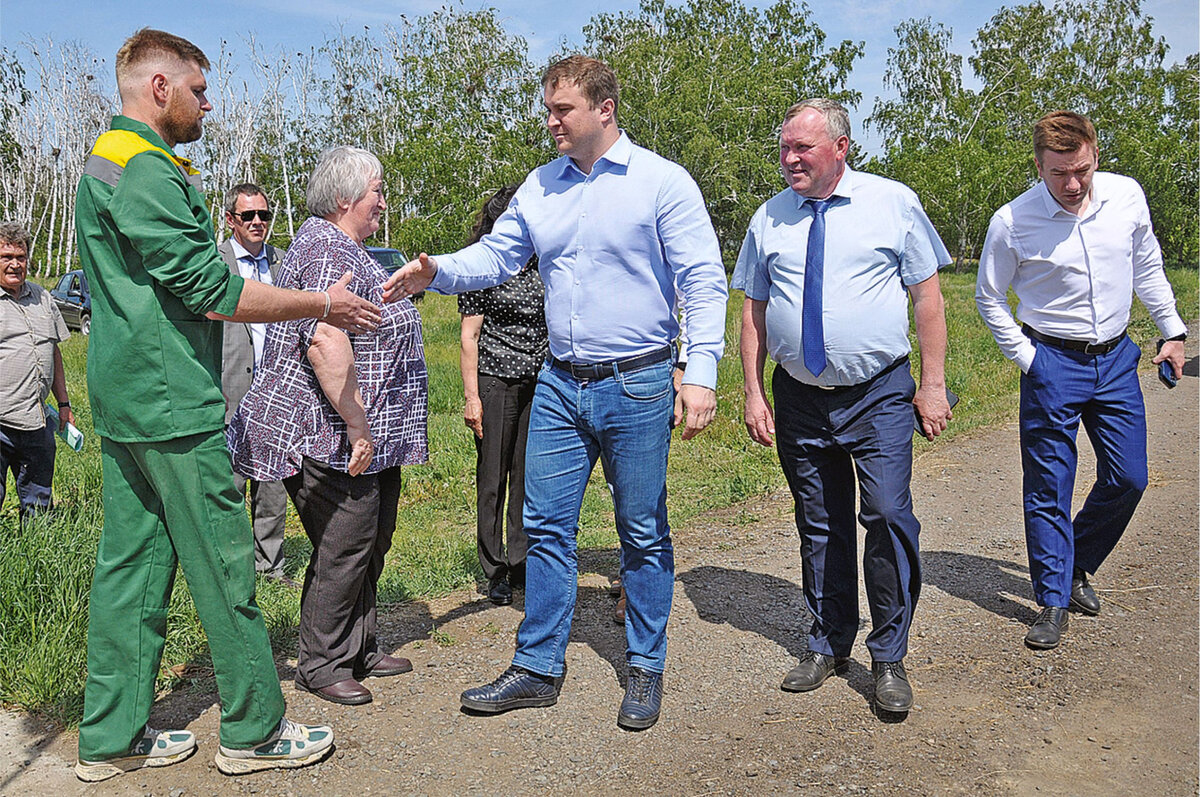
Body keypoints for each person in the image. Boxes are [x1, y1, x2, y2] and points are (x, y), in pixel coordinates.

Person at [385, 55, 728, 731]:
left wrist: (703, 371)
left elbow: (703, 281)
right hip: (559, 383)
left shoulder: (662, 183)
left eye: (561, 109)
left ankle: (645, 664)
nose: (550, 122)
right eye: (547, 109)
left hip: (639, 382)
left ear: (604, 108)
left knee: (641, 530)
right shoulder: (541, 187)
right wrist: (439, 270)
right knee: (542, 525)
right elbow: (499, 255)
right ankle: (538, 665)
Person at [72, 29, 380, 781]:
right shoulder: (144, 168)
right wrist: (322, 302)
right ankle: (254, 730)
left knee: (132, 567)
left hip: (124, 396)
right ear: (158, 89)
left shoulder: (102, 161)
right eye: (199, 90)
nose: (207, 103)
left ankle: (110, 737)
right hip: (172, 397)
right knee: (222, 559)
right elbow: (214, 291)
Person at [733, 98, 952, 715]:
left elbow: (928, 301)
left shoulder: (892, 203)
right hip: (799, 397)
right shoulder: (768, 218)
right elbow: (752, 309)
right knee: (819, 522)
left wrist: (931, 386)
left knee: (885, 514)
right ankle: (829, 643)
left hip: (879, 392)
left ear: (841, 147)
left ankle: (889, 655)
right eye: (784, 148)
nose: (789, 158)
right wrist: (752, 390)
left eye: (802, 148)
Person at [975, 110, 1186, 651]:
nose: (1072, 185)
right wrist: (1030, 360)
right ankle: (1051, 600)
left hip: (1116, 359)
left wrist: (1172, 330)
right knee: (1049, 486)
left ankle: (1075, 565)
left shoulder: (1126, 197)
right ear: (1039, 166)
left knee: (1130, 477)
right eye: (1058, 174)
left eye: (1082, 171)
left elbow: (1147, 266)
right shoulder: (1014, 222)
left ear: (1095, 155)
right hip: (1052, 362)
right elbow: (989, 298)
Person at [228, 146, 428, 707]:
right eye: (377, 191)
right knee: (347, 537)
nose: (383, 203)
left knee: (372, 533)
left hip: (355, 429)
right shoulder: (324, 248)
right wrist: (361, 428)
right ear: (344, 199)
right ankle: (321, 662)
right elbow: (323, 340)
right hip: (318, 428)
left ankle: (358, 643)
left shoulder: (345, 247)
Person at [458, 184, 546, 606]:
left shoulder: (542, 262)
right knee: (493, 477)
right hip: (495, 378)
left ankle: (521, 560)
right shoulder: (483, 266)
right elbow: (469, 337)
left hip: (540, 380)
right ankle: (494, 568)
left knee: (528, 477)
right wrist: (471, 397)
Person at [218, 183, 292, 585]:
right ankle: (232, 570)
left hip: (274, 395)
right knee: (229, 489)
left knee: (272, 491)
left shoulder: (283, 263)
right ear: (231, 220)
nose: (258, 222)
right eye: (249, 216)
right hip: (228, 395)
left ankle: (271, 567)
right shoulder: (215, 264)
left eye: (264, 215)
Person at [0, 221, 73, 523]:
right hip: (1, 420)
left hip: (38, 419)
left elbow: (53, 353)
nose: (15, 264)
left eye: (21, 256)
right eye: (6, 257)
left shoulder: (43, 298)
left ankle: (34, 547)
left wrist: (65, 405)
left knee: (39, 503)